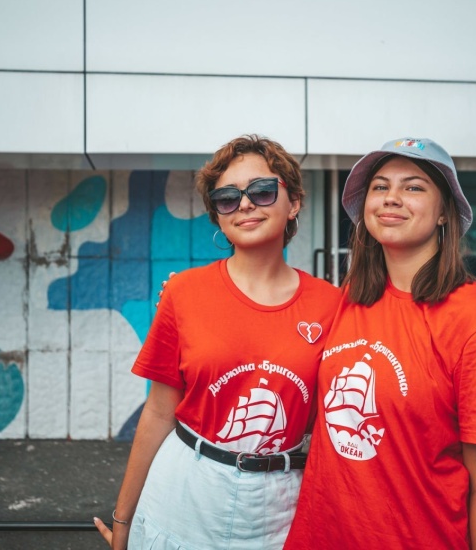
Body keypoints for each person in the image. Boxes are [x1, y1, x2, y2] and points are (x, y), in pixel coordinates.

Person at [94, 134, 340, 549]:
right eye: (227, 198)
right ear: (218, 215)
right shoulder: (183, 293)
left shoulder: (333, 305)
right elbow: (158, 412)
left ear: (294, 202)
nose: (245, 204)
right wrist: (123, 521)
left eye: (262, 191)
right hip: (184, 492)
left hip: (281, 504)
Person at [284, 137, 476, 549]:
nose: (391, 197)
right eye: (380, 186)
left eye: (413, 187)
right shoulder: (348, 300)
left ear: (445, 212)